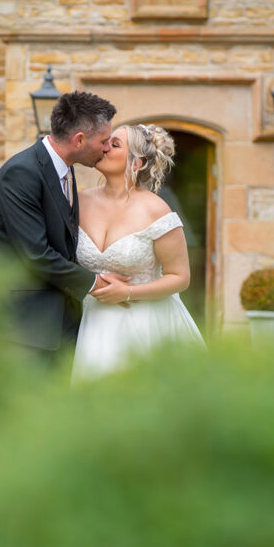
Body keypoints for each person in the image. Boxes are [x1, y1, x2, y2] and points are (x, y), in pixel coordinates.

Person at [0, 91, 128, 369]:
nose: (105, 149)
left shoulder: (66, 170)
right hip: (26, 330)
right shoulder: (21, 173)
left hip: (65, 324)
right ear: (79, 140)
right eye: (103, 141)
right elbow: (36, 255)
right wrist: (95, 283)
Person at [71, 123, 204, 381]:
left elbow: (180, 277)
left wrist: (128, 292)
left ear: (137, 163)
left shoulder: (156, 210)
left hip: (145, 324)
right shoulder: (78, 202)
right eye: (106, 142)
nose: (104, 147)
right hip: (90, 323)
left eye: (115, 144)